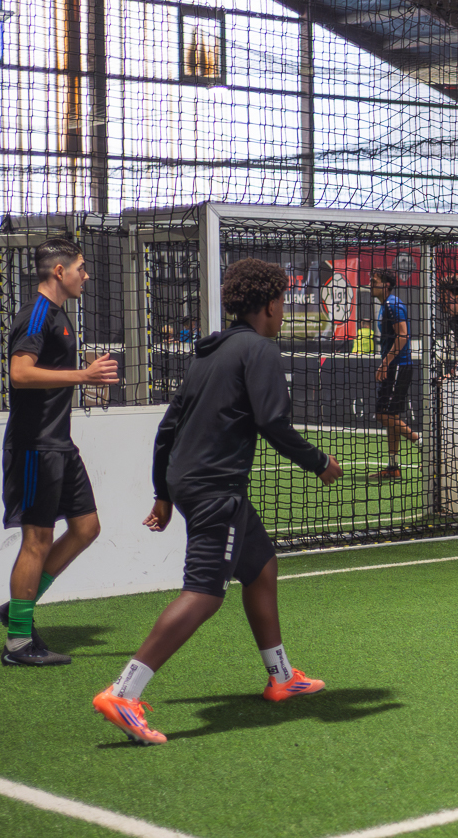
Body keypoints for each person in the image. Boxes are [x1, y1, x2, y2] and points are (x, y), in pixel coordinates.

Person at [93, 259, 343, 746]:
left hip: (193, 483)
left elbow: (168, 429)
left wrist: (163, 493)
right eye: (282, 302)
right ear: (269, 305)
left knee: (261, 567)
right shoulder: (260, 350)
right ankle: (123, 692)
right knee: (205, 593)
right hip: (216, 488)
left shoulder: (209, 353)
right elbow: (272, 422)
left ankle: (281, 677)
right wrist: (318, 462)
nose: (283, 311)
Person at [0, 238, 120, 666]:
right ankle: (18, 644)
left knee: (87, 528)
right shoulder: (36, 315)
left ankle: (19, 608)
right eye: (81, 268)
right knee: (37, 540)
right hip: (35, 447)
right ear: (59, 271)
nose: (87, 275)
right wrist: (84, 375)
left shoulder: (60, 315)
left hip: (59, 444)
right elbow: (19, 373)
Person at [368, 268, 419, 479]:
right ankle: (393, 467)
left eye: (374, 281)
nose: (371, 284)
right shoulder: (385, 306)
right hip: (394, 366)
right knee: (392, 417)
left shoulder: (392, 304)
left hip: (399, 366)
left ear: (386, 285)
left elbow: (403, 336)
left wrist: (385, 363)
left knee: (383, 415)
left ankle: (423, 444)